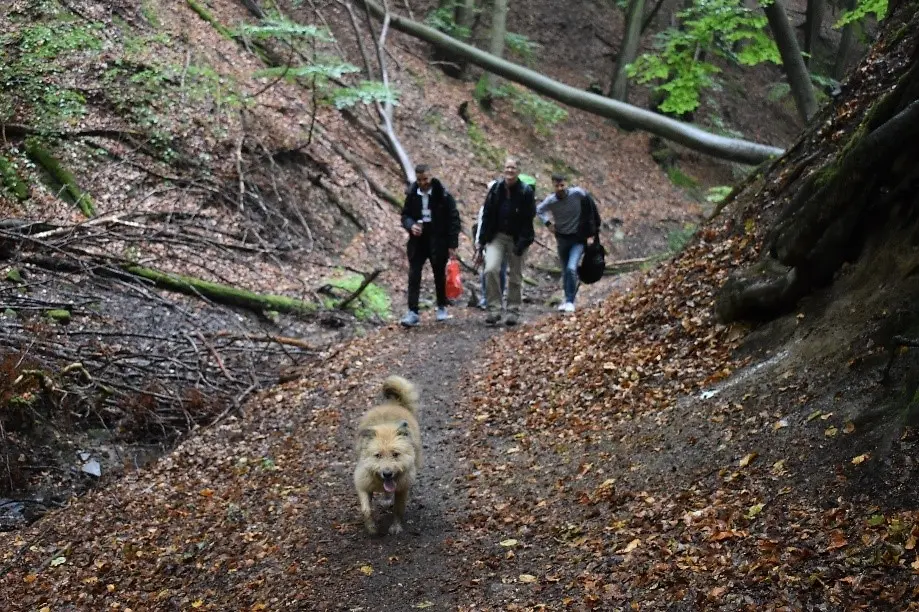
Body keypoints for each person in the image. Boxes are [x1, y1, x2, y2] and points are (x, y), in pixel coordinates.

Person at [474, 157, 536, 326]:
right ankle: (494, 309)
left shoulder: (525, 192)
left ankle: (513, 311)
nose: (510, 171)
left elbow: (528, 219)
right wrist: (481, 241)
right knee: (490, 269)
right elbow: (487, 215)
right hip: (497, 236)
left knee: (515, 276)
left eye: (513, 168)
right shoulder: (496, 189)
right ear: (503, 169)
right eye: (507, 167)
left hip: (518, 238)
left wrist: (522, 243)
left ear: (518, 171)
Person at [399, 164, 461, 327]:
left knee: (439, 273)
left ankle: (441, 306)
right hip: (418, 240)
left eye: (425, 179)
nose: (423, 183)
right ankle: (412, 311)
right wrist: (411, 225)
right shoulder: (412, 194)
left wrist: (452, 244)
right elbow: (405, 215)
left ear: (431, 177)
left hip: (438, 239)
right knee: (414, 274)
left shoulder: (443, 195)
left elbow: (454, 219)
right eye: (419, 180)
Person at [536, 173, 601, 313]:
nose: (560, 188)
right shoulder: (551, 201)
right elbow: (539, 210)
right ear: (552, 185)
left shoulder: (577, 194)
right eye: (557, 186)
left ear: (566, 183)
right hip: (562, 239)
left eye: (562, 185)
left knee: (572, 268)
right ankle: (566, 299)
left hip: (578, 239)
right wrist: (548, 224)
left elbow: (590, 204)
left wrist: (592, 229)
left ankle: (570, 301)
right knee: (566, 270)